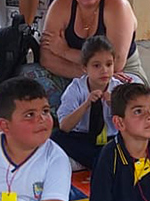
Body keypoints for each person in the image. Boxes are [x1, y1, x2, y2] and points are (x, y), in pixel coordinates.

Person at [28, 0, 148, 108]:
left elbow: (115, 63)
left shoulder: (118, 6)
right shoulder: (60, 6)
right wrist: (89, 75)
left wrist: (64, 52)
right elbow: (47, 58)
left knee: (121, 98)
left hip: (120, 75)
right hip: (75, 74)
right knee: (28, 78)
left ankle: (73, 115)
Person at [52, 35, 126, 168]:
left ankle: (98, 162)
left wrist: (114, 105)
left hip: (111, 139)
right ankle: (102, 163)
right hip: (83, 137)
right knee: (56, 136)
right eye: (96, 65)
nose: (104, 70)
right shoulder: (76, 89)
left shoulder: (117, 88)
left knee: (132, 140)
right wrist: (86, 105)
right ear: (85, 68)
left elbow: (129, 123)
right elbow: (64, 127)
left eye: (109, 64)